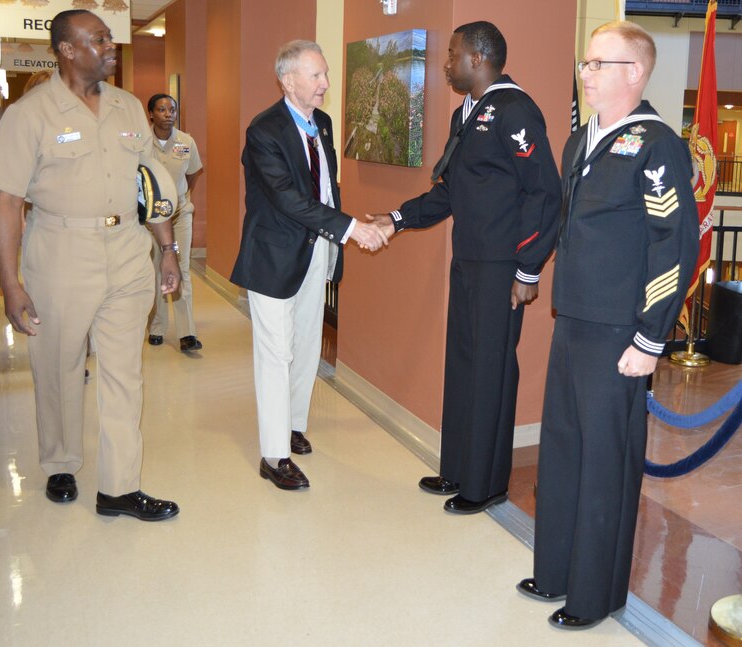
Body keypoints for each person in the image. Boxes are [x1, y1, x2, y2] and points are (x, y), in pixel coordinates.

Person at [517, 21, 698, 629]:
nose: (586, 74)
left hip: (621, 333)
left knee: (604, 464)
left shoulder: (655, 144)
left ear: (635, 73)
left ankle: (595, 596)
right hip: (574, 321)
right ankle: (555, 572)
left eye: (599, 64)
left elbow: (674, 245)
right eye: (586, 64)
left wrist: (650, 338)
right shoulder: (580, 142)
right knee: (563, 451)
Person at [0, 9, 182, 522]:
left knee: (125, 372)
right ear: (67, 50)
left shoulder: (129, 108)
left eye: (110, 39)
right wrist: (11, 284)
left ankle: (119, 487)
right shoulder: (29, 115)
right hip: (61, 252)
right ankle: (60, 462)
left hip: (128, 251)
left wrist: (168, 250)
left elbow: (149, 185)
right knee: (59, 366)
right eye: (99, 40)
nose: (111, 47)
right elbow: (4, 202)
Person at [370, 22, 561, 514]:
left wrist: (528, 269)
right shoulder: (466, 112)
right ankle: (456, 467)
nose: (446, 62)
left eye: (452, 54)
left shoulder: (515, 110)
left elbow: (545, 192)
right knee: (464, 364)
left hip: (502, 267)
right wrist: (396, 219)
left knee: (491, 370)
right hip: (469, 260)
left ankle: (485, 483)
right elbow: (448, 193)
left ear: (477, 58)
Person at [230, 40, 388, 490]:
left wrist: (336, 236)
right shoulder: (264, 131)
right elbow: (286, 198)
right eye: (316, 76)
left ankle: (293, 423)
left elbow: (324, 188)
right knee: (276, 353)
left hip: (318, 248)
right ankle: (273, 453)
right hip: (275, 254)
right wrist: (350, 228)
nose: (325, 85)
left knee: (305, 345)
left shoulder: (323, 123)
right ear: (288, 81)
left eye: (325, 75)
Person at [145, 93, 204, 353]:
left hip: (180, 214)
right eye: (162, 109)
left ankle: (187, 332)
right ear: (151, 114)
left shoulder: (186, 142)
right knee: (156, 269)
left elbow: (192, 174)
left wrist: (178, 198)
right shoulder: (142, 142)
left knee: (182, 268)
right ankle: (157, 328)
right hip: (150, 219)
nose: (168, 114)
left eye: (172, 109)